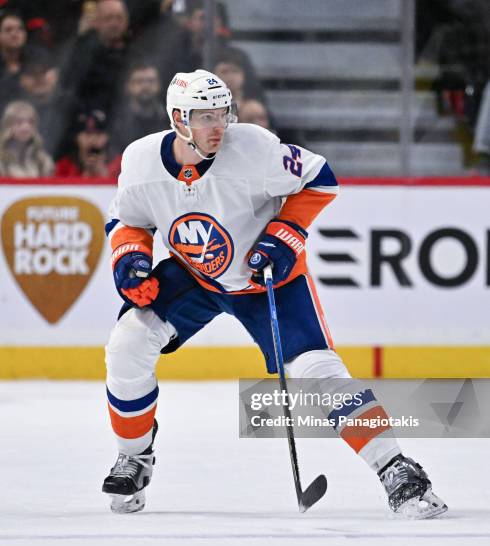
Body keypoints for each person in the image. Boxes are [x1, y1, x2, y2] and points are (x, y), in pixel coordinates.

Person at [102, 69, 447, 519]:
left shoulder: (255, 148)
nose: (217, 125)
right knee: (127, 343)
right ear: (177, 119)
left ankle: (396, 469)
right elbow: (126, 219)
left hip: (267, 281)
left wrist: (286, 234)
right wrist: (130, 260)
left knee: (318, 371)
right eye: (204, 116)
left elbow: (320, 178)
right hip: (193, 275)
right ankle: (134, 456)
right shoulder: (141, 160)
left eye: (222, 113)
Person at [110, 61, 167, 155]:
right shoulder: (117, 122)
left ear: (159, 85)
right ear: (128, 86)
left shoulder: (170, 119)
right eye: (139, 81)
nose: (145, 86)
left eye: (150, 81)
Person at [55, 109, 121, 178]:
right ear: (77, 138)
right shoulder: (65, 166)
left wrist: (103, 173)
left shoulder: (118, 165)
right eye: (87, 134)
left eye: (98, 134)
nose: (92, 140)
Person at [0, 99, 53, 177]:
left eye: (31, 122)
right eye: (19, 122)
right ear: (8, 125)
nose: (26, 127)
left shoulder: (43, 161)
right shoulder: (1, 160)